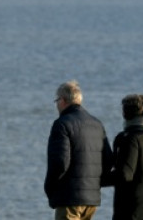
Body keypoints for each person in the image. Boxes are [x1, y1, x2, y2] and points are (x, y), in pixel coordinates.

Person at [45, 80, 114, 220]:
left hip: (69, 197)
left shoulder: (62, 124)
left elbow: (60, 162)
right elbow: (108, 160)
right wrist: (94, 183)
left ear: (63, 100)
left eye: (57, 100)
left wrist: (49, 187)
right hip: (91, 199)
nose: (57, 105)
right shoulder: (96, 124)